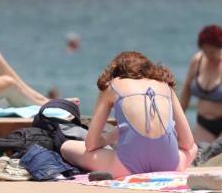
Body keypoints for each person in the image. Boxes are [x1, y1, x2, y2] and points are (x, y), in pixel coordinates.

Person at [61, 51, 197, 177]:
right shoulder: (165, 86)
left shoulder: (112, 86)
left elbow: (91, 144)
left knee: (66, 147)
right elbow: (188, 143)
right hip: (170, 167)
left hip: (126, 169)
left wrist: (111, 136)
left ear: (116, 70)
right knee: (194, 149)